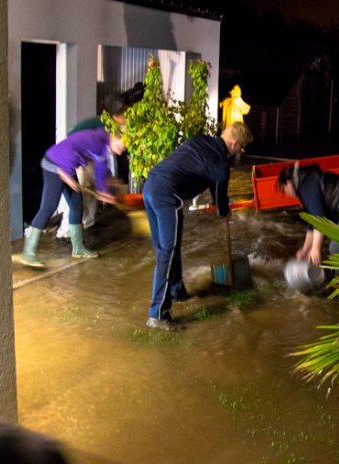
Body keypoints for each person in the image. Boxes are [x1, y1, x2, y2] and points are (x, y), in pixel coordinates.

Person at [142, 122, 253, 331]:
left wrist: (219, 203)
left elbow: (208, 178)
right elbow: (220, 200)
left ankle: (177, 291)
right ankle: (157, 314)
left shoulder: (201, 140)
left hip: (150, 187)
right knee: (167, 251)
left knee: (166, 247)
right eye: (241, 148)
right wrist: (224, 211)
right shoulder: (221, 164)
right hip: (167, 195)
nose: (241, 152)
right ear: (234, 143)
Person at [18, 127, 124, 269]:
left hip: (67, 166)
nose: (119, 151)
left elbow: (100, 170)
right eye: (119, 147)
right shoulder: (95, 139)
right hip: (55, 165)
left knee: (76, 204)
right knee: (49, 207)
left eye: (122, 150)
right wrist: (68, 178)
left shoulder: (104, 147)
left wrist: (103, 192)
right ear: (113, 137)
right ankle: (28, 252)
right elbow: (70, 148)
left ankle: (78, 247)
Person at [54, 96, 127, 244]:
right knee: (80, 193)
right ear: (117, 117)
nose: (125, 122)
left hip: (87, 156)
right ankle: (65, 232)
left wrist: (105, 185)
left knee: (90, 188)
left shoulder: (112, 128)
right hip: (77, 156)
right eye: (123, 118)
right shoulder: (104, 124)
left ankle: (87, 224)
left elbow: (102, 161)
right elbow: (77, 141)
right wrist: (104, 189)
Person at [276, 163, 339, 267]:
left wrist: (315, 248)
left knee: (336, 249)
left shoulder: (307, 184)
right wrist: (305, 250)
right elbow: (312, 223)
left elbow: (319, 217)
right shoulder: (307, 183)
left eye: (284, 190)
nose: (286, 194)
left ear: (288, 183)